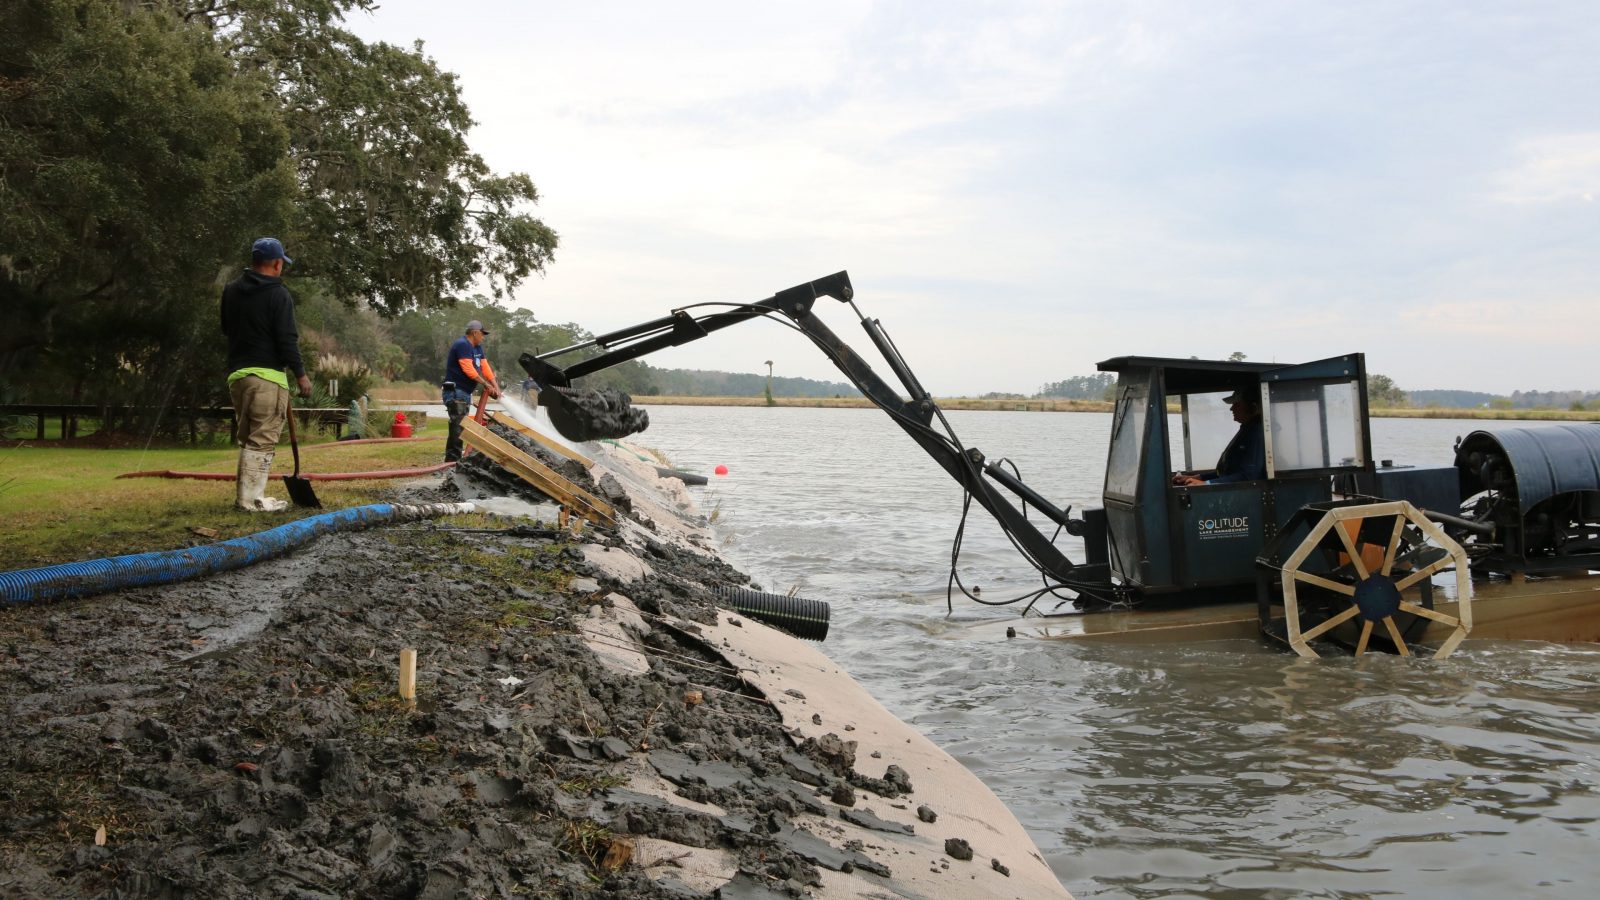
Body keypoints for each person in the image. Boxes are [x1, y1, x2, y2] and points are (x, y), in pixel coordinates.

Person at [220, 237, 313, 512]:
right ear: (275, 263)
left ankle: (246, 497)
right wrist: (301, 374)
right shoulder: (278, 294)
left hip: (238, 377)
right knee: (263, 439)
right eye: (281, 263)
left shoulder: (231, 291)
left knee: (248, 437)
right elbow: (287, 339)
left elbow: (227, 328)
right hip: (267, 377)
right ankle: (250, 501)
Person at [1172, 389, 1266, 485]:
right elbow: (1226, 472)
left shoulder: (1256, 433)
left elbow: (1248, 476)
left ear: (1252, 407)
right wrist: (1197, 477)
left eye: (1236, 405)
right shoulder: (1247, 429)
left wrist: (1206, 484)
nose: (1231, 408)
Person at [441, 320, 502, 462]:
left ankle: (453, 460)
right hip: (456, 391)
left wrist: (495, 386)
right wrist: (486, 384)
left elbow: (485, 367)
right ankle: (452, 462)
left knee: (460, 426)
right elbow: (468, 369)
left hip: (464, 393)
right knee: (458, 426)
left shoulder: (477, 348)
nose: (483, 337)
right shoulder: (462, 345)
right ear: (474, 333)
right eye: (482, 334)